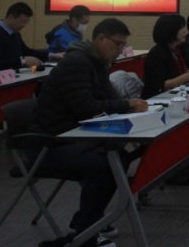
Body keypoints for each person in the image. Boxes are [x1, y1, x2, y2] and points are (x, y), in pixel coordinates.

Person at [31, 18, 148, 247]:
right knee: (104, 165)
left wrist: (130, 105)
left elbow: (109, 99)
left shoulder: (97, 63)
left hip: (75, 136)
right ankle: (85, 232)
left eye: (123, 45)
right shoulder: (77, 63)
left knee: (119, 158)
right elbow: (84, 107)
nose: (120, 50)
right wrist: (126, 105)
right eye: (118, 44)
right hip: (49, 143)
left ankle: (88, 222)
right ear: (101, 39)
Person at [0, 2, 64, 71]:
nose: (23, 26)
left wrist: (51, 55)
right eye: (22, 22)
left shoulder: (14, 33)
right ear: (11, 17)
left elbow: (26, 51)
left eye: (26, 22)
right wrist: (22, 61)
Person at [141, 13, 189, 99]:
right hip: (157, 99)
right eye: (181, 28)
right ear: (170, 31)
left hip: (175, 95)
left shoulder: (176, 50)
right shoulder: (157, 53)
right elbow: (159, 85)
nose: (185, 31)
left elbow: (177, 75)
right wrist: (187, 76)